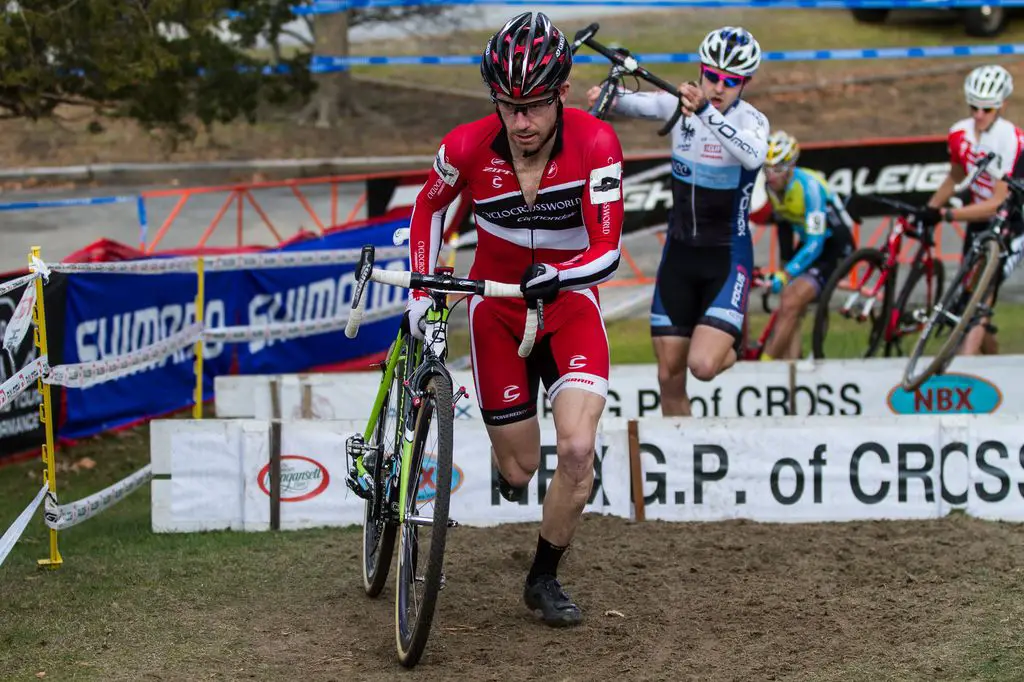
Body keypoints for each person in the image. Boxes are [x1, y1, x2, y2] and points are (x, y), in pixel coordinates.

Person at [400, 12, 624, 627]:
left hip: (569, 307)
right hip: (495, 311)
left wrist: (561, 274)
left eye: (533, 107)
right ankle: (514, 465)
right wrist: (422, 292)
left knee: (578, 450)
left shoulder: (597, 143)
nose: (521, 123)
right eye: (508, 107)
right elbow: (427, 210)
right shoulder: (466, 145)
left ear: (563, 93)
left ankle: (543, 578)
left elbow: (608, 249)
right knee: (519, 468)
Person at [586, 26, 769, 416]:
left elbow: (753, 156)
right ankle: (680, 467)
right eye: (713, 76)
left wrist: (705, 111)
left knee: (701, 366)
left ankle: (735, 345)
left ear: (745, 83)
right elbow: (629, 104)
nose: (719, 87)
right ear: (701, 70)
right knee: (669, 377)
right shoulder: (677, 105)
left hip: (726, 255)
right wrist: (608, 94)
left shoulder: (751, 121)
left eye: (731, 81)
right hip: (680, 255)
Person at [921, 64, 1024, 356]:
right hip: (977, 223)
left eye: (987, 109)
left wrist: (947, 215)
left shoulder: (1012, 140)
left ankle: (966, 367)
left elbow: (997, 203)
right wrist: (930, 209)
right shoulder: (959, 133)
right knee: (967, 301)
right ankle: (994, 368)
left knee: (981, 297)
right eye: (973, 107)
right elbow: (954, 177)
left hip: (1012, 225)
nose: (978, 115)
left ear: (1002, 105)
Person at [753, 130, 855, 360]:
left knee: (792, 300)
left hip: (834, 247)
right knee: (789, 305)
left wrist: (787, 273)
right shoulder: (771, 188)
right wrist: (783, 268)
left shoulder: (809, 188)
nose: (771, 175)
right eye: (766, 168)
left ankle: (764, 366)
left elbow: (817, 243)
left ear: (791, 166)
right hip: (809, 245)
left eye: (777, 168)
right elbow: (784, 226)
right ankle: (791, 362)